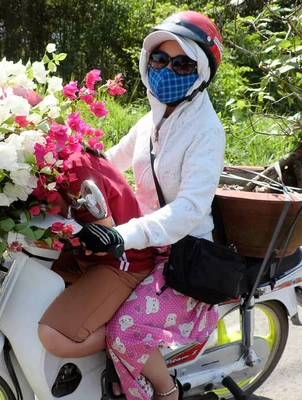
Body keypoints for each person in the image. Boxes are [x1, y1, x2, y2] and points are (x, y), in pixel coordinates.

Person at [77, 11, 226, 400]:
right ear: (147, 62)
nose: (166, 70)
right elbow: (113, 160)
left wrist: (123, 234)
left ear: (201, 72)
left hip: (183, 256)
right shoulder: (150, 121)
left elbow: (190, 208)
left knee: (124, 330)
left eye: (182, 63)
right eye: (159, 59)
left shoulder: (207, 132)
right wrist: (71, 164)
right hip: (143, 244)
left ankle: (164, 391)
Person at [37, 148, 155, 358]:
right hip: (84, 258)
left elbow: (102, 243)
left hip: (122, 261)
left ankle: (127, 334)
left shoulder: (74, 169)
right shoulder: (43, 171)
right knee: (31, 270)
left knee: (54, 336)